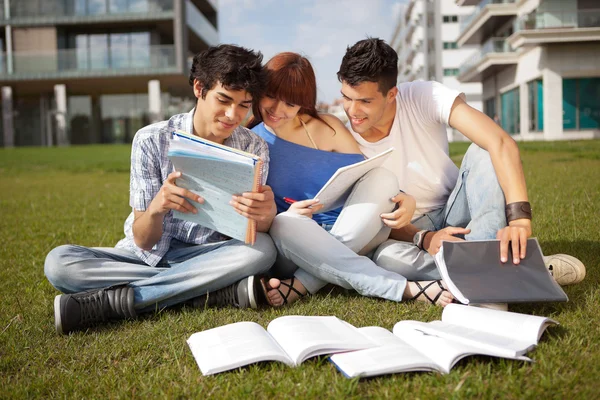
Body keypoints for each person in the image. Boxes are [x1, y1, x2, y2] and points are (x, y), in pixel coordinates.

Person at [268, 39, 585, 307]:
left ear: (391, 94)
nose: (353, 110)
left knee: (483, 151)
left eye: (364, 101)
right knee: (387, 260)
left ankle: (491, 272)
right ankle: (511, 268)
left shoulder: (423, 96)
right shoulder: (343, 138)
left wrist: (520, 219)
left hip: (457, 207)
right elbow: (367, 220)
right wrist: (424, 237)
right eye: (347, 98)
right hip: (408, 233)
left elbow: (499, 141)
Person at [44, 44, 278, 335]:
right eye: (224, 100)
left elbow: (256, 229)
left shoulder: (254, 147)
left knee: (263, 250)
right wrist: (156, 208)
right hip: (144, 257)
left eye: (244, 105)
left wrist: (266, 215)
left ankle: (117, 303)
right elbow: (143, 240)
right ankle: (208, 292)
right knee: (59, 263)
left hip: (209, 255)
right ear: (199, 88)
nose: (233, 115)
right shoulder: (151, 139)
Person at [248, 52, 453, 307]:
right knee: (284, 223)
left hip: (358, 231)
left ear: (303, 102)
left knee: (383, 176)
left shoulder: (329, 126)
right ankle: (404, 289)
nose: (277, 110)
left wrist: (405, 199)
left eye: (290, 104)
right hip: (298, 244)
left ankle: (301, 285)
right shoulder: (251, 142)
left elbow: (366, 180)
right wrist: (287, 212)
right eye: (271, 97)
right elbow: (255, 216)